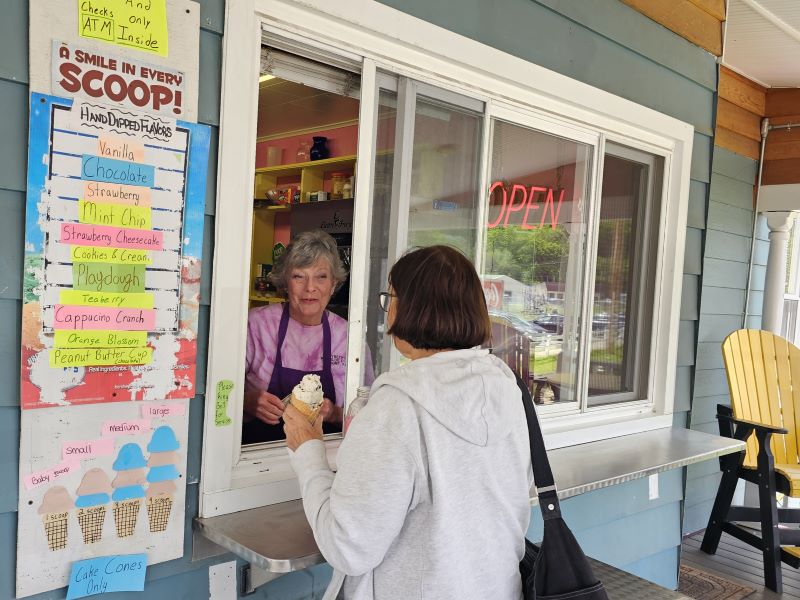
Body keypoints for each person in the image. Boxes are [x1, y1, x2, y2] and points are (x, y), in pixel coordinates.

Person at [284, 245, 534, 600]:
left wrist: (308, 450)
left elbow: (348, 546)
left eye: (391, 297)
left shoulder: (398, 408)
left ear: (409, 308)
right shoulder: (508, 390)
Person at [243, 230, 363, 444]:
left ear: (333, 284)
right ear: (285, 282)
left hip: (328, 458)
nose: (310, 288)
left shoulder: (347, 336)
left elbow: (368, 411)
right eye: (299, 276)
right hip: (258, 458)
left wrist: (335, 414)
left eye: (321, 277)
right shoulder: (257, 325)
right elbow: (217, 393)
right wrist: (245, 402)